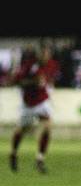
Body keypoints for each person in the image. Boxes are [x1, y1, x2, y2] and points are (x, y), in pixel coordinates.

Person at [9, 46, 59, 174]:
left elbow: (50, 78)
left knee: (47, 126)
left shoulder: (52, 64)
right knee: (22, 130)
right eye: (44, 55)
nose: (46, 57)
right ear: (39, 55)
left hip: (42, 100)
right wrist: (33, 82)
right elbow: (16, 82)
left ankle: (40, 159)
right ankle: (13, 153)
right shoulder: (29, 66)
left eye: (48, 55)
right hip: (29, 102)